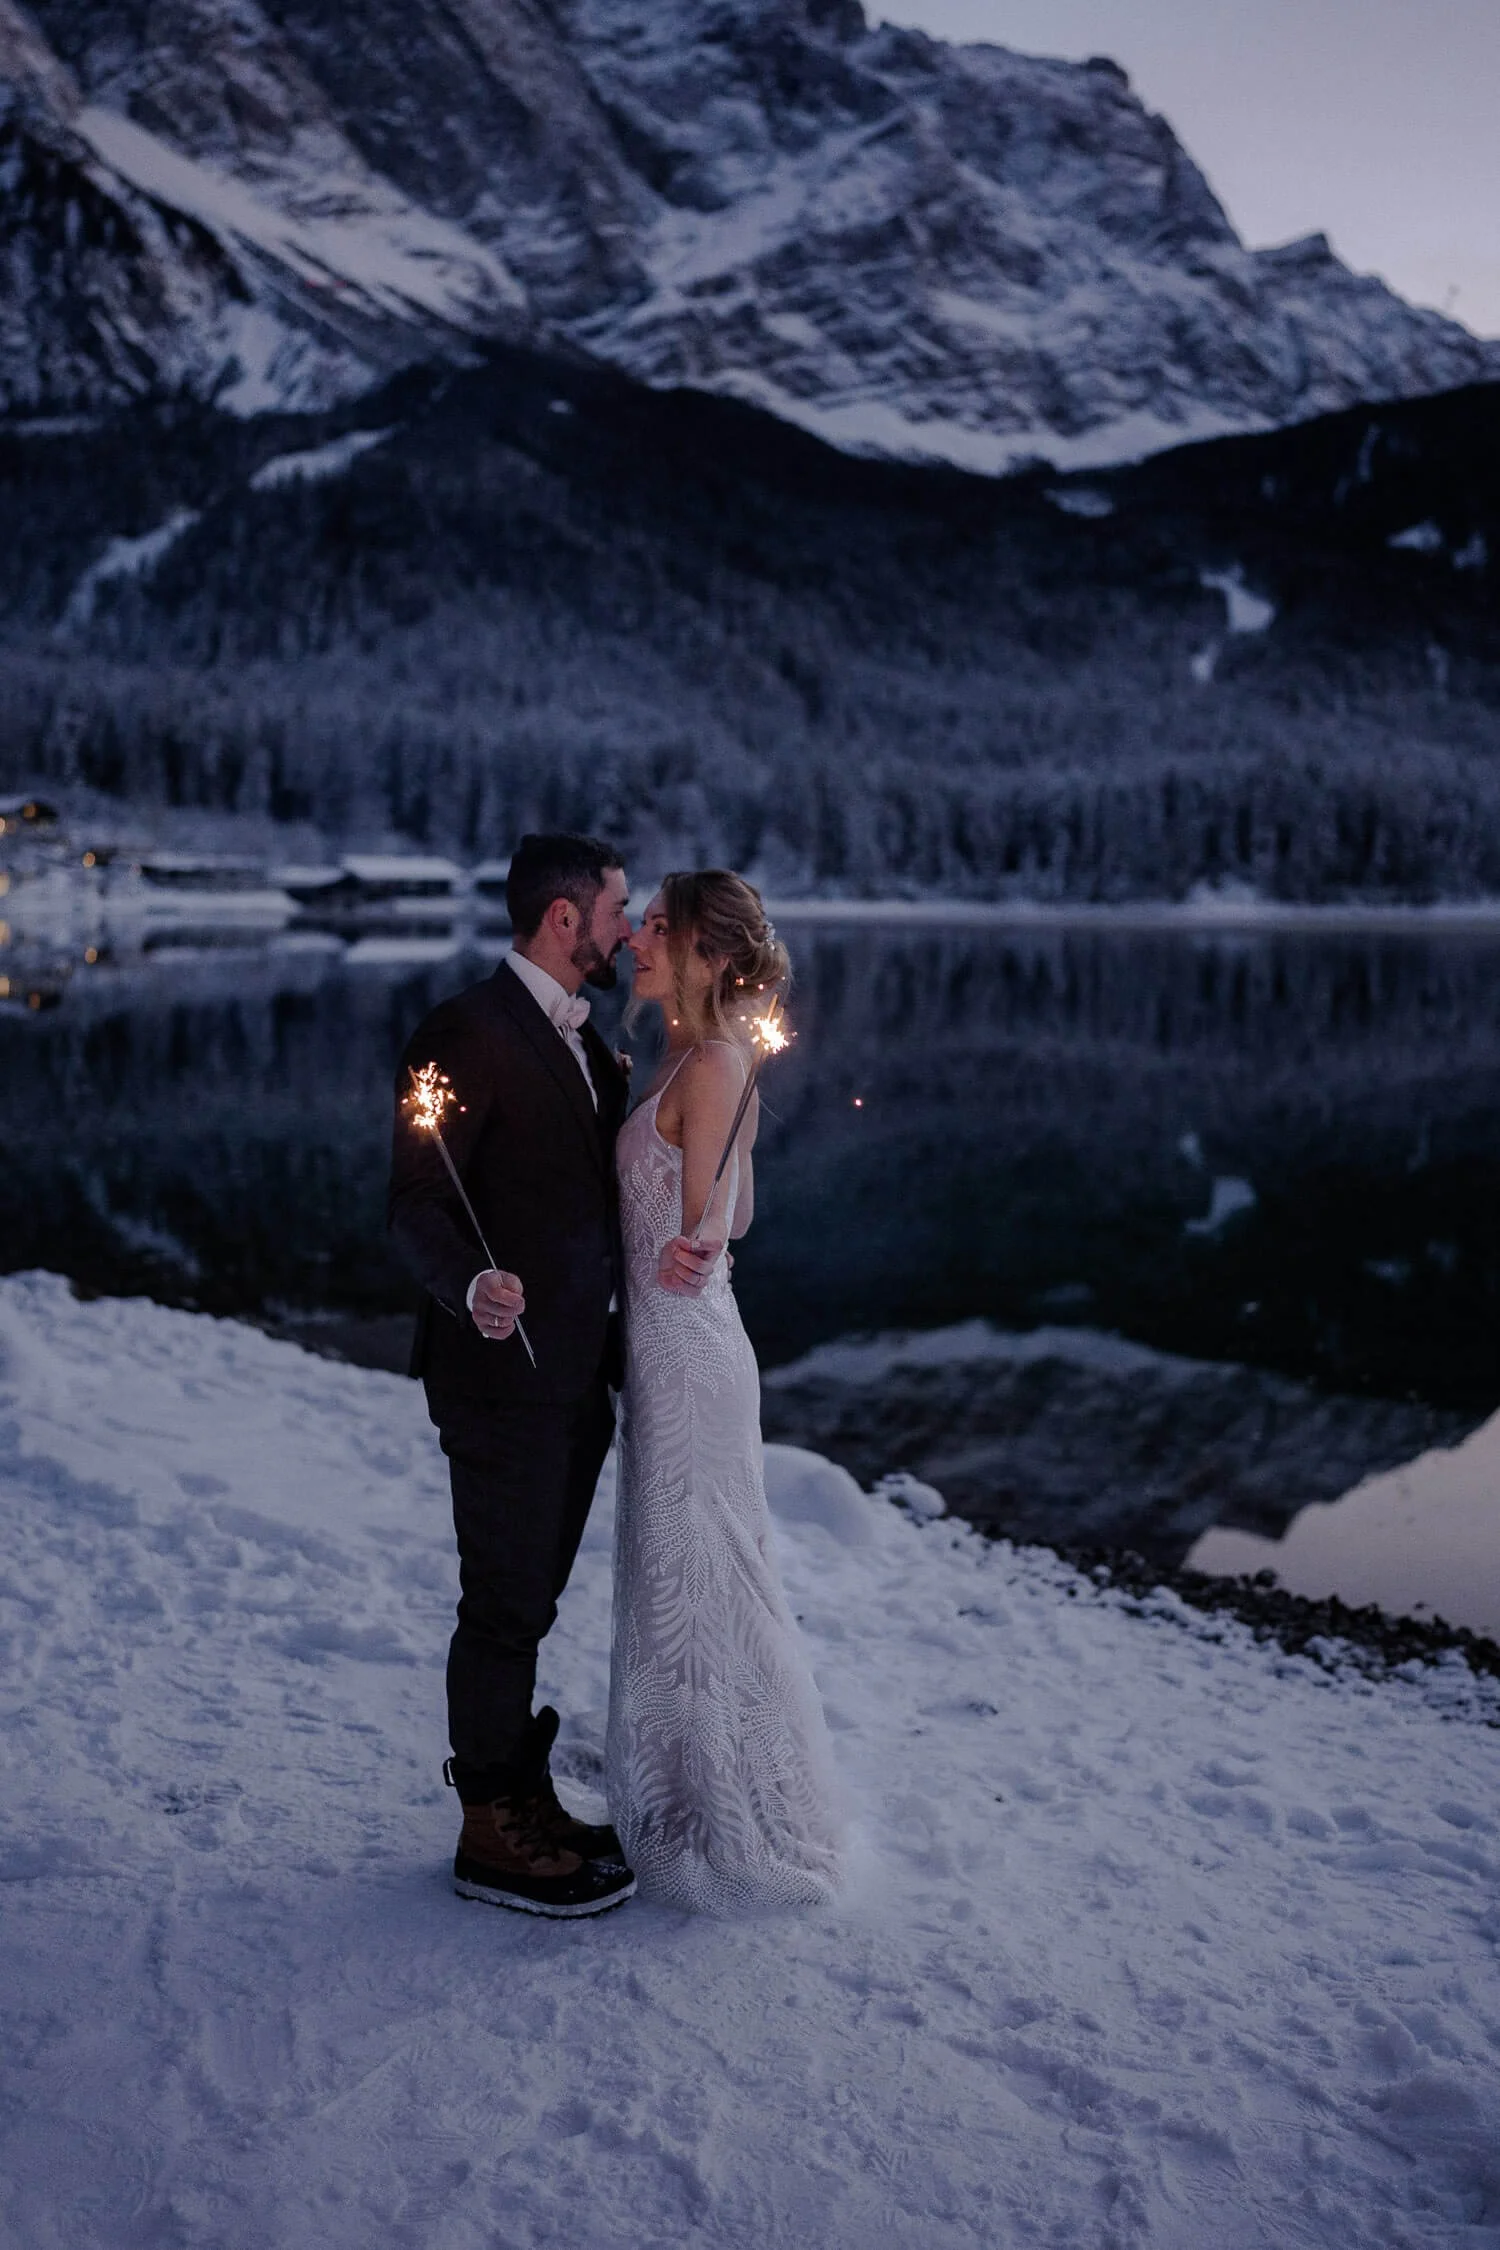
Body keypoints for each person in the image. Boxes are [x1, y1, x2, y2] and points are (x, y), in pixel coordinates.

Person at [388, 833, 638, 1918]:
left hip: (579, 1376)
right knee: (499, 1607)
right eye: (619, 907)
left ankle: (523, 1793)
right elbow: (417, 1199)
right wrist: (472, 1283)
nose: (630, 927)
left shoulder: (596, 1040)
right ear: (565, 919)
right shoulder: (464, 1031)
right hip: (500, 1376)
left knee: (529, 1604)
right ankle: (489, 1830)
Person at [607, 871, 845, 1911]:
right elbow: (733, 1219)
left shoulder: (711, 1062)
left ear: (711, 958)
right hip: (666, 1347)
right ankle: (686, 1784)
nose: (640, 937)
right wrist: (706, 1229)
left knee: (708, 1574)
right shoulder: (691, 1056)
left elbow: (719, 1225)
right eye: (645, 920)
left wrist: (695, 1238)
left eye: (664, 928)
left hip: (690, 1350)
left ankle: (732, 1808)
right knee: (675, 1562)